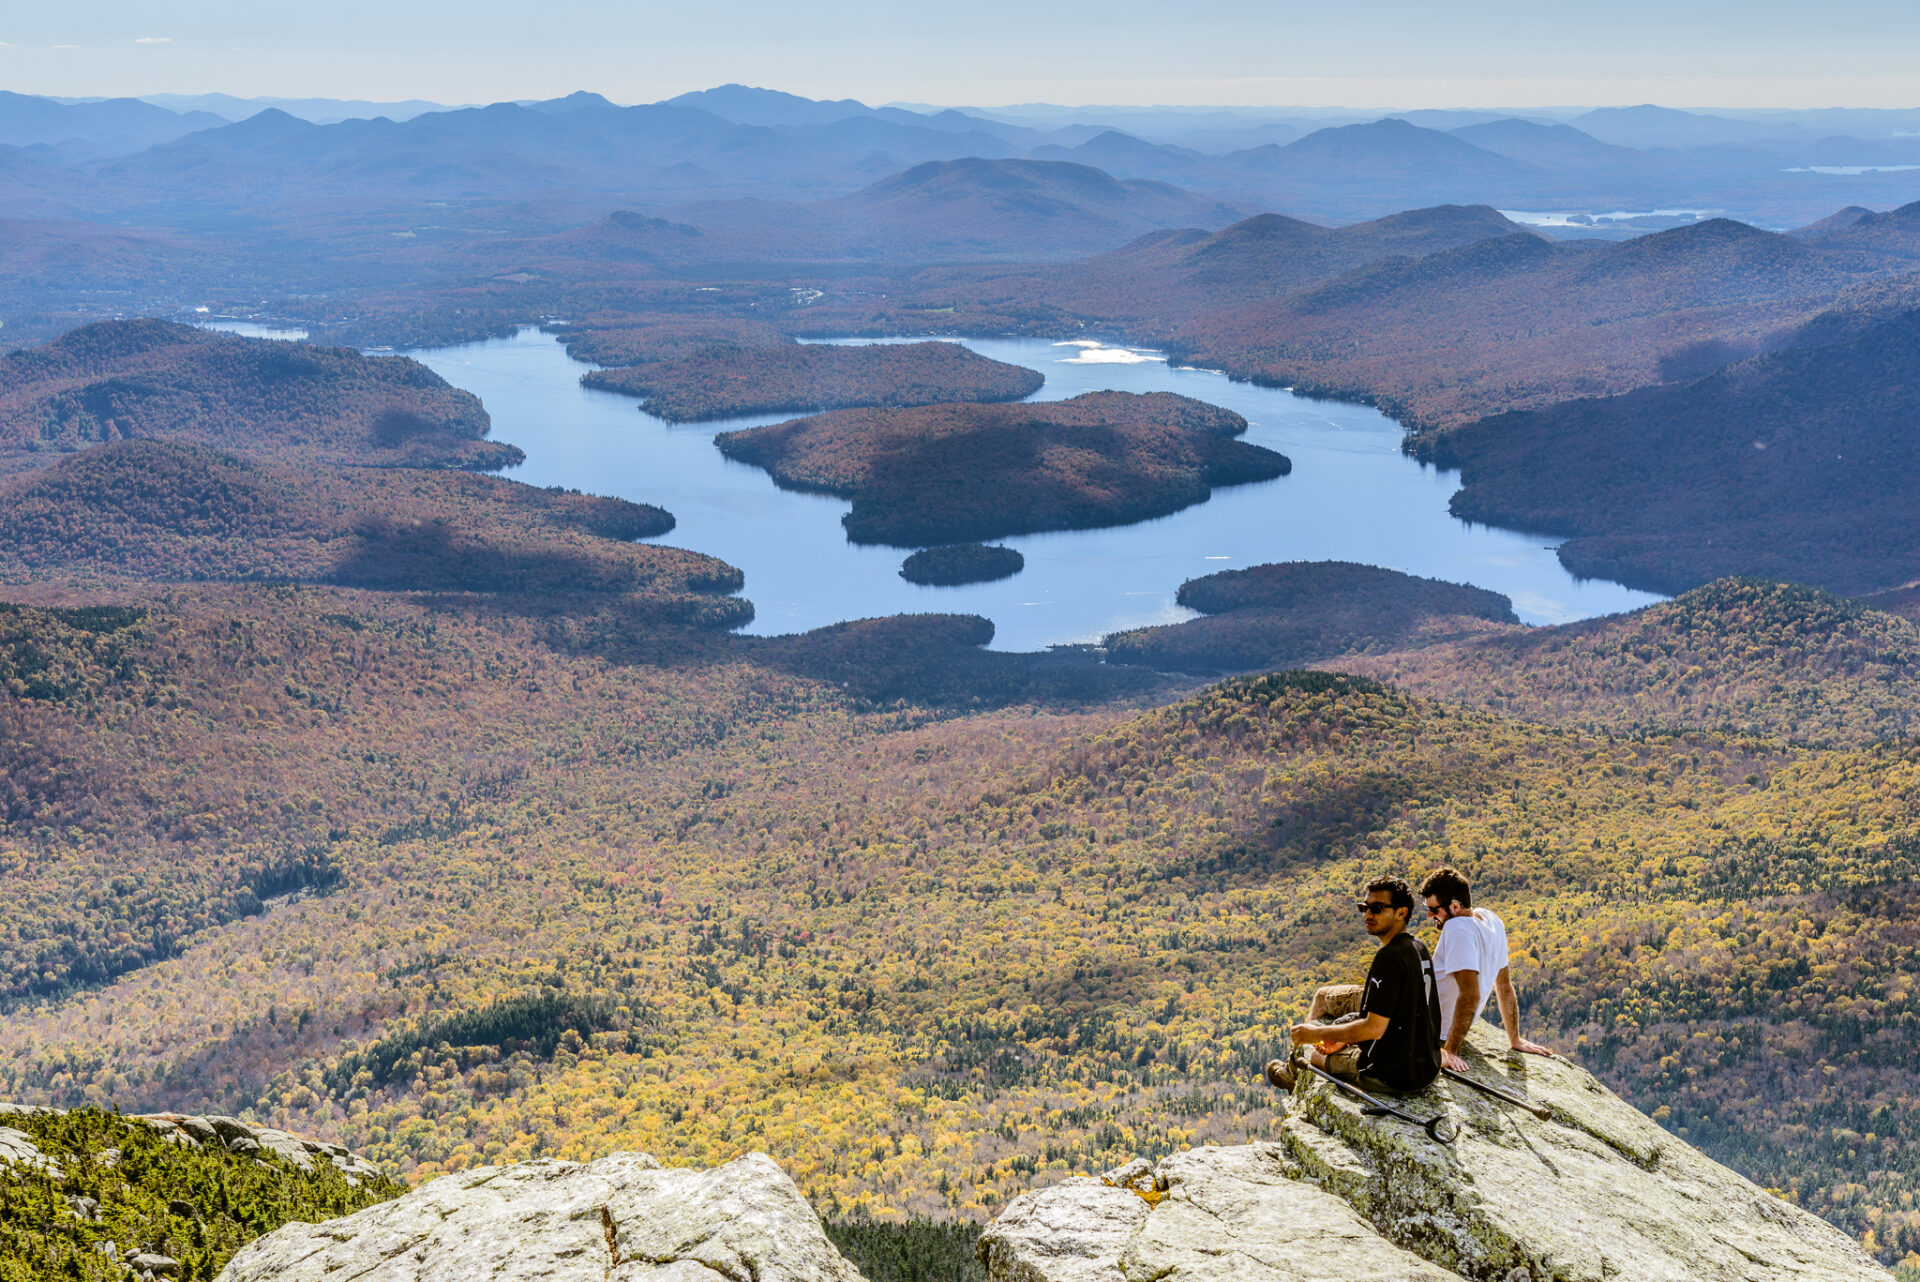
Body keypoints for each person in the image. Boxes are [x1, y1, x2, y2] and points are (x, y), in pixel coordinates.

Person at [1265, 877, 1441, 1095]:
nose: (1367, 915)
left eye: (1376, 908)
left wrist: (1313, 1034)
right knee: (1345, 1023)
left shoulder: (1390, 957)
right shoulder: (1418, 948)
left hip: (1395, 1076)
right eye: (1364, 907)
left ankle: (1292, 1077)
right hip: (1428, 1067)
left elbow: (1374, 1028)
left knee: (1315, 1055)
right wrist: (1340, 1038)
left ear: (1401, 913)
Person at [1420, 866, 1550, 1073]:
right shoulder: (1492, 920)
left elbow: (1470, 995)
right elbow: (1504, 985)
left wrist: (1450, 1051)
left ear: (1454, 906)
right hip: (1439, 1025)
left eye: (1434, 910)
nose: (1429, 915)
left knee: (1354, 1001)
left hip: (1427, 1027)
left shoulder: (1456, 929)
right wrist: (1514, 1039)